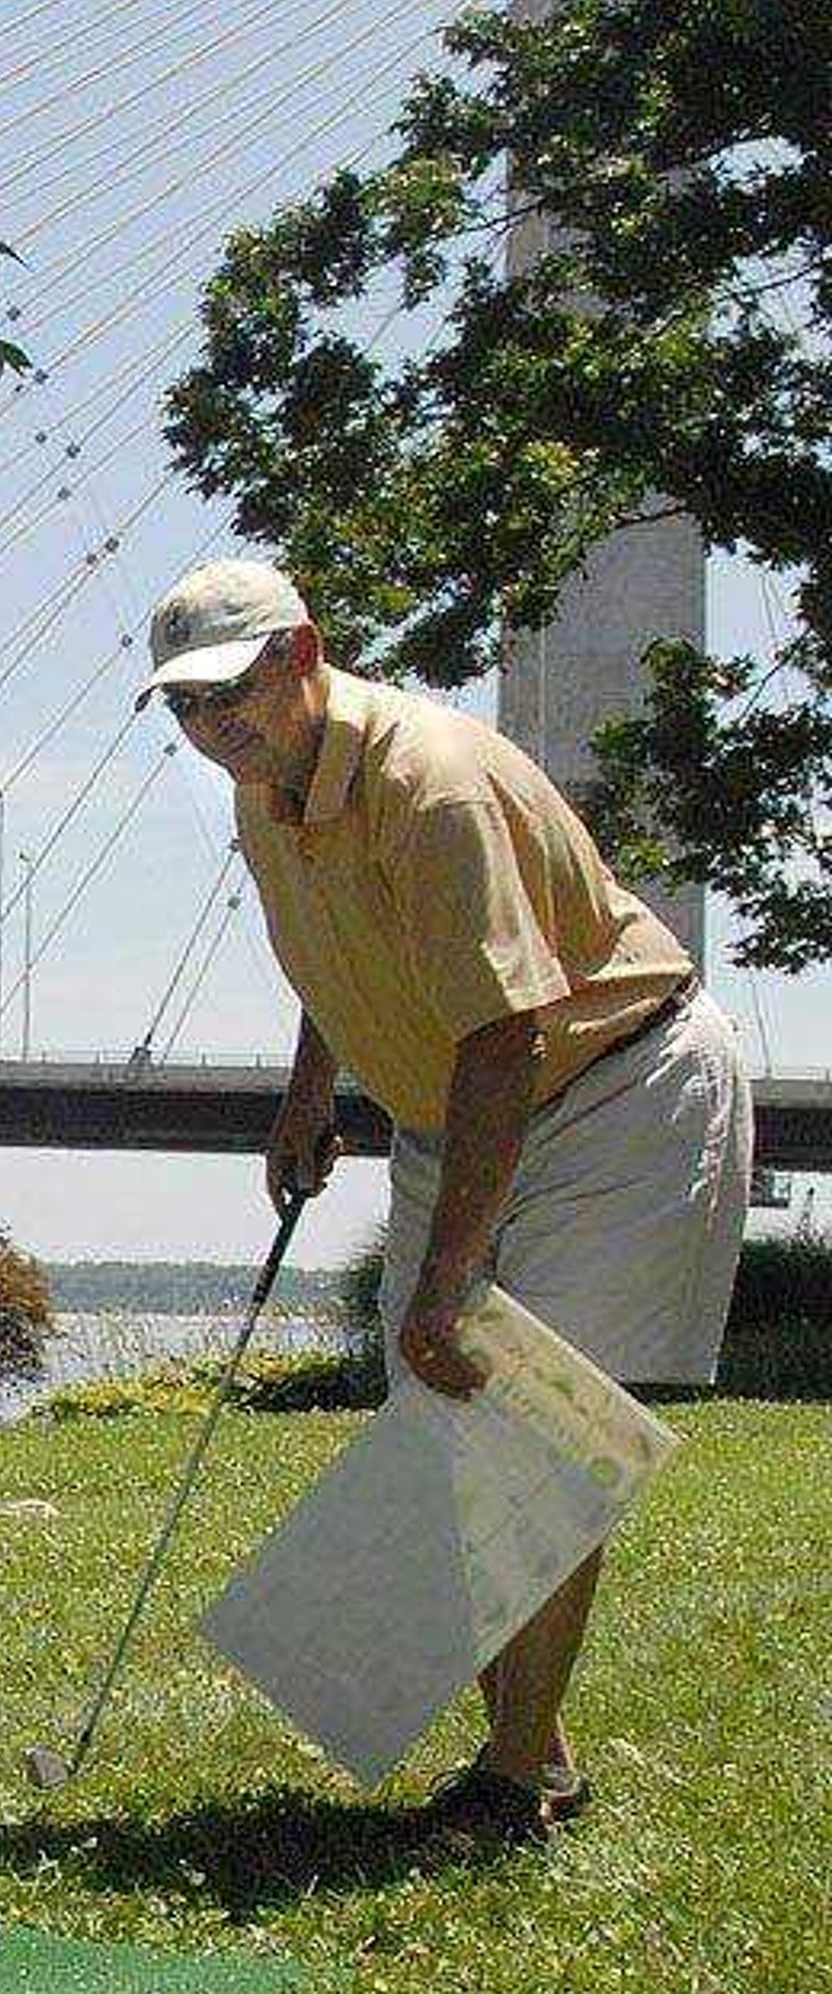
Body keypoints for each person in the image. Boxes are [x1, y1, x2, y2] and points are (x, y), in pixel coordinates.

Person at [141, 557, 756, 1837]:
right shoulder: (270, 793)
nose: (213, 726)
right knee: (447, 1430)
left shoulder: (432, 783)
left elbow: (506, 1034)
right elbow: (337, 955)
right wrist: (312, 1095)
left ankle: (514, 1777)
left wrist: (446, 1275)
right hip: (459, 1105)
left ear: (302, 652)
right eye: (186, 708)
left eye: (233, 691)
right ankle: (536, 1748)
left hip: (615, 1086)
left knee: (534, 1429)